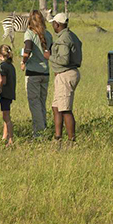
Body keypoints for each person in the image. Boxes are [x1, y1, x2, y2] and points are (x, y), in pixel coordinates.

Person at [48, 12, 82, 142]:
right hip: (66, 73)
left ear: (57, 24)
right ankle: (58, 137)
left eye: (53, 24)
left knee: (65, 109)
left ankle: (71, 140)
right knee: (56, 107)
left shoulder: (63, 39)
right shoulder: (71, 35)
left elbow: (64, 59)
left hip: (65, 74)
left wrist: (49, 56)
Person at [21, 9, 52, 137]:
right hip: (45, 72)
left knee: (34, 103)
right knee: (42, 102)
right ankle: (43, 126)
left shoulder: (29, 33)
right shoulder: (48, 34)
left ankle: (39, 133)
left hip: (33, 72)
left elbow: (27, 49)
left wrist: (23, 61)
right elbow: (50, 52)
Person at [0, 44, 16, 146]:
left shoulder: (3, 66)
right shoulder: (11, 66)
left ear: (0, 55)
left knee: (6, 117)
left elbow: (3, 82)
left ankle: (10, 139)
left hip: (5, 94)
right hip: (10, 93)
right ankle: (4, 137)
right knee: (6, 115)